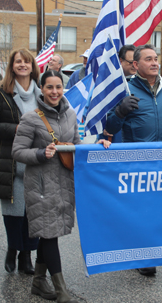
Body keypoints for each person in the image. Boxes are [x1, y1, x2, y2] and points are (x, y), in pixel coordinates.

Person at [12, 69, 111, 301]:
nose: (54, 92)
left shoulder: (70, 115)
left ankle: (38, 281)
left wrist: (98, 144)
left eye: (58, 87)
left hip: (64, 183)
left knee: (51, 232)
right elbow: (17, 152)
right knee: (48, 235)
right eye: (49, 87)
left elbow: (76, 145)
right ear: (42, 89)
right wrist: (39, 153)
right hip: (41, 185)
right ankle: (61, 290)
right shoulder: (30, 118)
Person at [107, 45, 162, 276]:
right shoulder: (125, 90)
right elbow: (110, 127)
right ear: (136, 65)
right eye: (148, 59)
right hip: (137, 163)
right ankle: (142, 255)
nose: (154, 63)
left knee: (158, 210)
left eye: (156, 58)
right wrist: (120, 111)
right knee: (141, 210)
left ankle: (150, 249)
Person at [0, 48, 40, 275]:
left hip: (37, 162)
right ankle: (13, 248)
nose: (22, 65)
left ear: (32, 66)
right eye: (18, 62)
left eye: (26, 61)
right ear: (12, 66)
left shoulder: (43, 93)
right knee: (14, 212)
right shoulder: (1, 93)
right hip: (10, 163)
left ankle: (27, 255)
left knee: (32, 213)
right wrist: (17, 128)